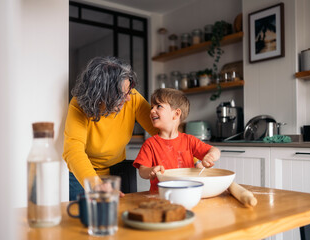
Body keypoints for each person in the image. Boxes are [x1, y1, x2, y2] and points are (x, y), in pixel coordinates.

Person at [63, 56, 158, 200]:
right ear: (101, 94)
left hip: (118, 169)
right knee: (84, 218)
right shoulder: (78, 105)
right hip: (84, 172)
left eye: (129, 91)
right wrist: (96, 184)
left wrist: (195, 158)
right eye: (121, 94)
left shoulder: (132, 97)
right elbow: (73, 150)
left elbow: (161, 130)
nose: (128, 99)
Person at [133, 88, 221, 192]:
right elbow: (142, 171)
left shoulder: (189, 141)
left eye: (159, 106)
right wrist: (150, 171)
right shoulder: (150, 144)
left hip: (187, 192)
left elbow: (215, 151)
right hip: (160, 196)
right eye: (152, 107)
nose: (152, 110)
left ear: (176, 114)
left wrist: (209, 157)